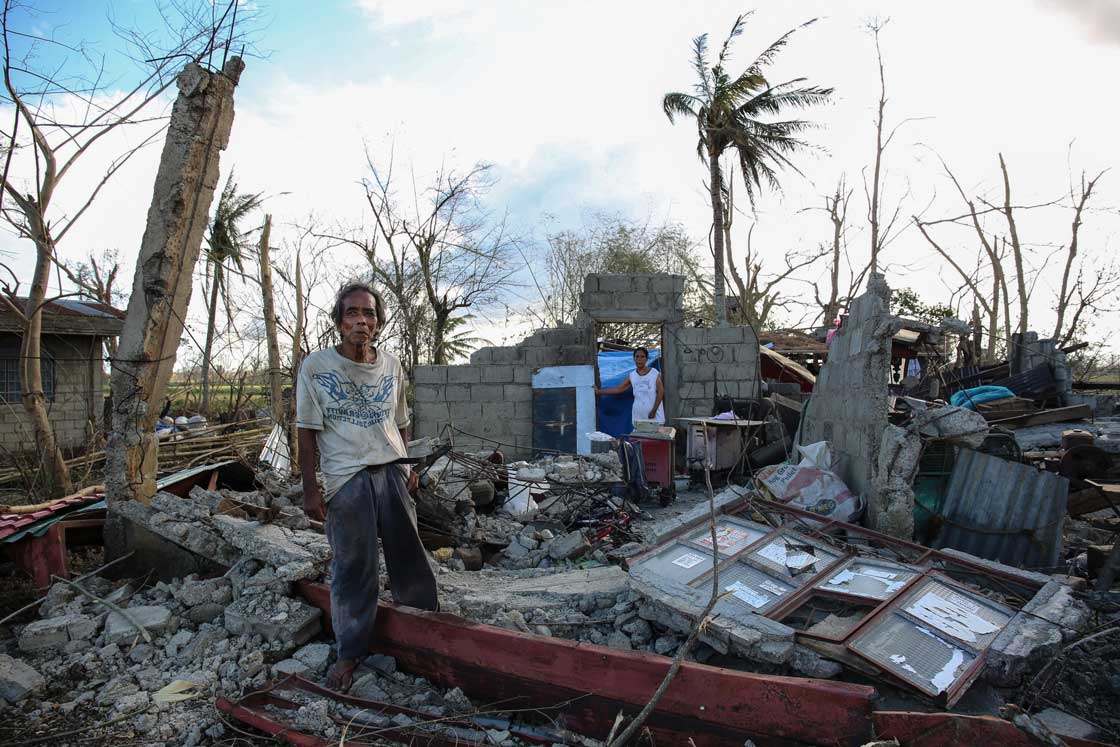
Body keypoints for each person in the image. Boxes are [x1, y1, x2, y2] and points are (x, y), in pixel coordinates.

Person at [296, 281, 438, 692]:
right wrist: (310, 488)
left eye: (369, 313)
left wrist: (408, 463)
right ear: (339, 322)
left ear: (378, 322)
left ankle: (424, 626)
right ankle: (350, 651)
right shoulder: (317, 367)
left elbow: (401, 419)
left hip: (392, 470)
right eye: (352, 313)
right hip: (347, 476)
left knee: (408, 553)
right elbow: (306, 431)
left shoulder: (391, 365)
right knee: (354, 567)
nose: (361, 320)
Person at [595, 347, 665, 424]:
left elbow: (660, 392)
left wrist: (654, 410)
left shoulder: (654, 373)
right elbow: (618, 389)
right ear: (634, 358)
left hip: (654, 416)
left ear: (647, 358)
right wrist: (598, 392)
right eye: (637, 357)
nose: (639, 359)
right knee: (639, 435)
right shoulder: (632, 375)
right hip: (638, 415)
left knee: (656, 435)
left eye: (642, 357)